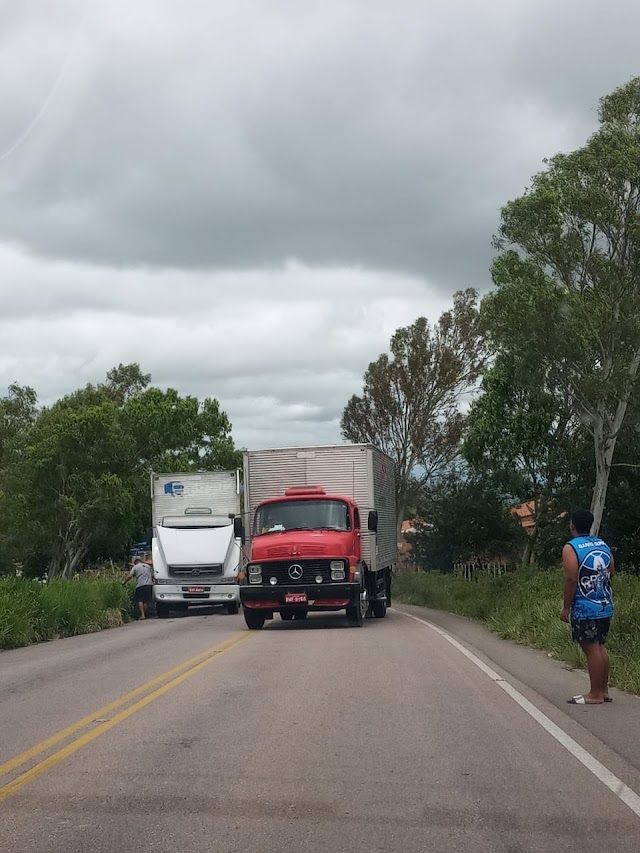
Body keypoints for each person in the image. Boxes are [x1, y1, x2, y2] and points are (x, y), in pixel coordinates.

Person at [561, 509, 615, 705]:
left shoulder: (571, 548)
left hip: (585, 608)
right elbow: (611, 572)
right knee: (600, 646)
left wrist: (566, 607)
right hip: (604, 604)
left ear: (572, 525)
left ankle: (594, 694)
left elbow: (571, 578)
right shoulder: (602, 544)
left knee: (591, 649)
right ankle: (604, 690)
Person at [123, 557, 155, 621]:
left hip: (140, 585)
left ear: (135, 562)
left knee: (140, 600)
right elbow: (152, 576)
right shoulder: (148, 566)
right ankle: (144, 614)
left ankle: (142, 615)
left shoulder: (136, 567)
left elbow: (130, 576)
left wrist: (124, 582)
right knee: (146, 601)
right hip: (149, 585)